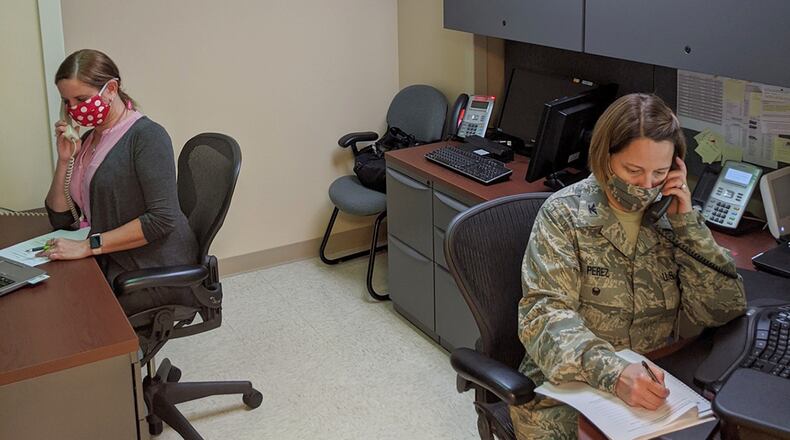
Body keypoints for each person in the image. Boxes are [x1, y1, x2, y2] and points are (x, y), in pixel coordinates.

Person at [510, 93, 747, 439]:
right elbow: (545, 317)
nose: (647, 186)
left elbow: (721, 310)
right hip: (567, 391)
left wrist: (687, 226)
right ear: (606, 158)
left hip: (655, 386)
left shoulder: (673, 219)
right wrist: (615, 373)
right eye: (633, 171)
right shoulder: (563, 215)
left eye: (660, 173)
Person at [42, 49, 198, 312]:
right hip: (113, 257)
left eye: (81, 99)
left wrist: (88, 246)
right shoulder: (90, 139)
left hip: (152, 268)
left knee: (72, 312)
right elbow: (60, 218)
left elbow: (163, 219)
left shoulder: (147, 137)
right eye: (67, 102)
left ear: (111, 88)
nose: (74, 110)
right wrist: (65, 160)